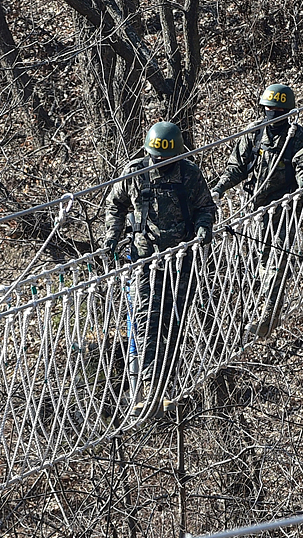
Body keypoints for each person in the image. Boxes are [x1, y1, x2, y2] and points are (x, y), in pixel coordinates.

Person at [102, 121, 217, 417]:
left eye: (166, 158)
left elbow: (206, 207)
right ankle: (151, 387)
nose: (160, 162)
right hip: (145, 260)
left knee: (174, 323)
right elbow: (115, 206)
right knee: (146, 321)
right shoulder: (135, 172)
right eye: (156, 157)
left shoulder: (189, 174)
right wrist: (111, 237)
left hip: (180, 260)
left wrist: (204, 228)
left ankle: (167, 384)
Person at [211, 83, 303, 338]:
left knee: (277, 258)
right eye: (269, 109)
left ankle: (268, 316)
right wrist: (219, 188)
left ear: (288, 111)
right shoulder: (255, 134)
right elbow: (237, 167)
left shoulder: (299, 137)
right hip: (258, 208)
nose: (273, 114)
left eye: (279, 110)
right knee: (262, 258)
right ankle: (264, 306)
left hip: (285, 206)